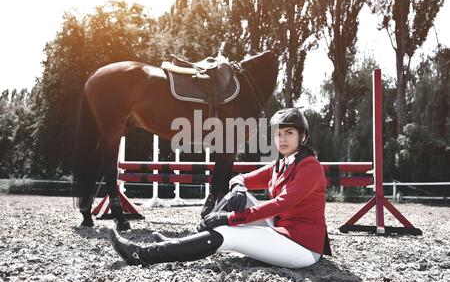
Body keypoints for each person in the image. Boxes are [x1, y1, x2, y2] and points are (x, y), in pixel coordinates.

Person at [108, 107, 332, 268]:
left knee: (227, 233)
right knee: (235, 196)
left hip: (301, 247)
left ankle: (142, 254)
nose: (282, 139)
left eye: (289, 133)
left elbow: (280, 204)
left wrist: (229, 218)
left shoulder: (310, 167)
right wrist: (239, 189)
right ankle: (183, 242)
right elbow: (241, 177)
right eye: (278, 134)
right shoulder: (280, 164)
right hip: (282, 230)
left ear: (303, 136)